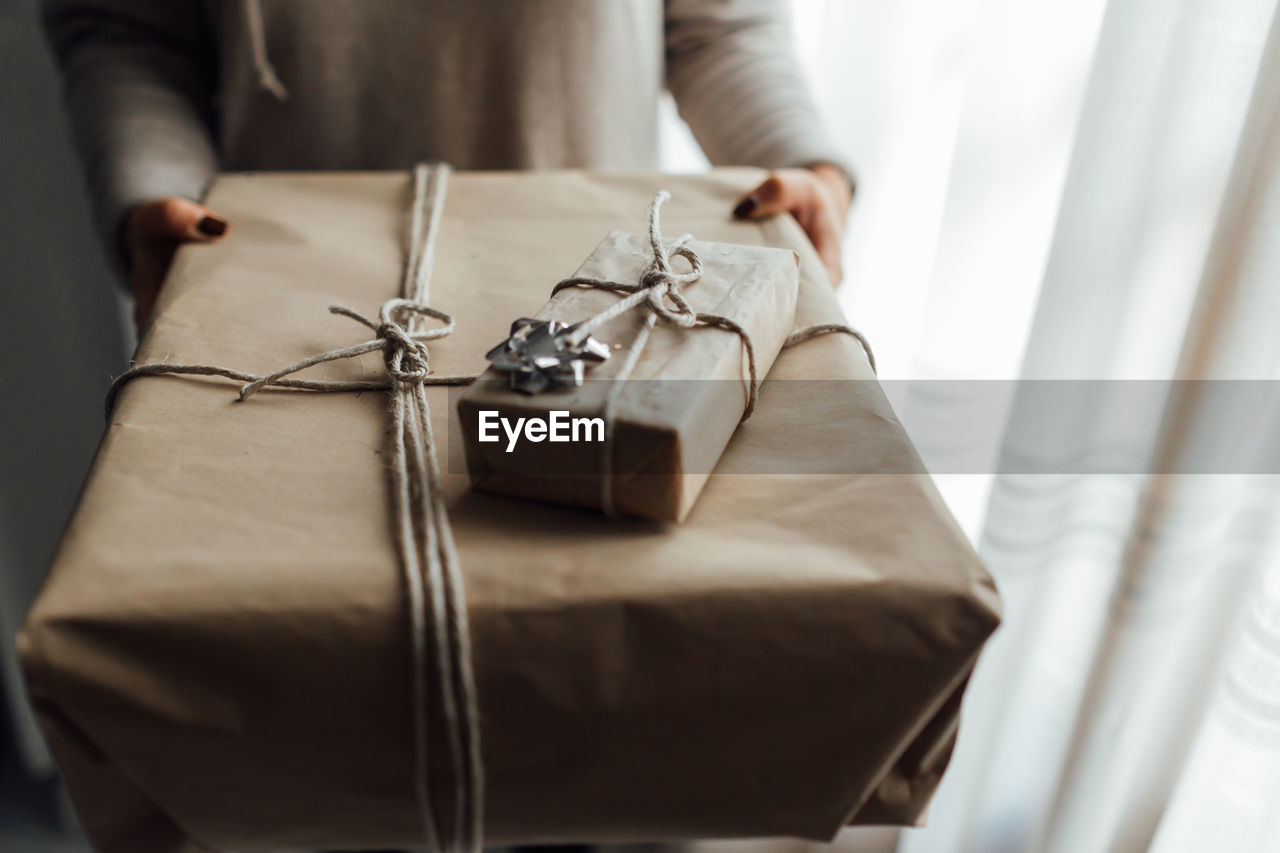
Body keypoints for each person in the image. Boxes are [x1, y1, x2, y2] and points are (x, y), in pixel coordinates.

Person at [43, 0, 853, 331]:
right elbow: (125, 28)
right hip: (280, 308)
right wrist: (152, 190)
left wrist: (802, 166)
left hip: (587, 305)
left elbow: (717, 27)